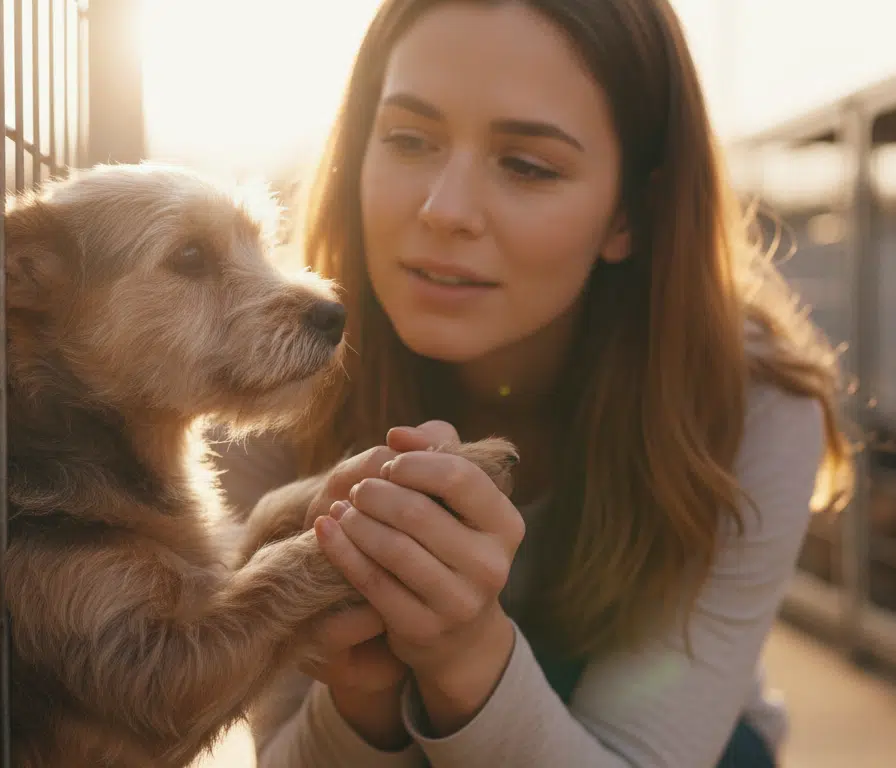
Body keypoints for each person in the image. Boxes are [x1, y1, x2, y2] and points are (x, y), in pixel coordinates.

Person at [212, 0, 853, 765]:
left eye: (527, 165)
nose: (443, 210)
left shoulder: (750, 402)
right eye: (409, 139)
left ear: (632, 215)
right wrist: (363, 698)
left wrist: (465, 658)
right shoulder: (259, 386)